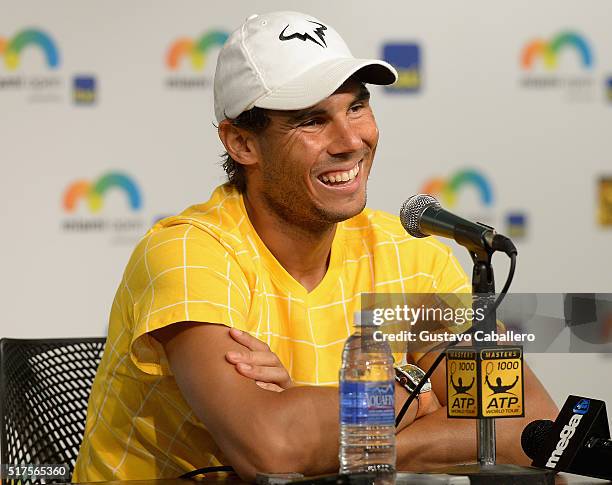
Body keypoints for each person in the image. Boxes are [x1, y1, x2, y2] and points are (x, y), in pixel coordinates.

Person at [73, 11, 557, 482]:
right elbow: (273, 449)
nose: (351, 140)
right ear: (242, 143)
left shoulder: (412, 255)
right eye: (311, 120)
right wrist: (416, 393)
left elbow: (529, 426)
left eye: (357, 106)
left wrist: (338, 431)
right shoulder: (188, 252)